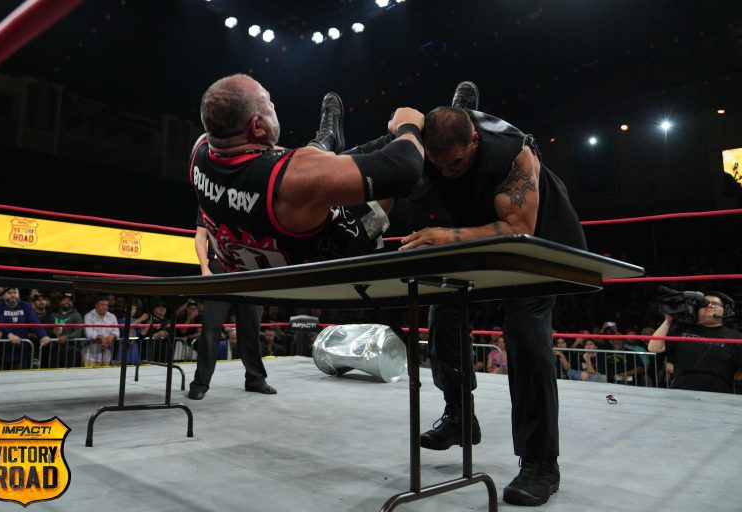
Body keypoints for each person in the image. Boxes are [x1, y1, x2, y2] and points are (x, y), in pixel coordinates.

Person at [398, 81, 587, 507]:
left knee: (526, 334)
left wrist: (445, 236)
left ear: (475, 139)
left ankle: (541, 463)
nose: (447, 172)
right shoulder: (424, 145)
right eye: (439, 165)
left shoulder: (514, 154)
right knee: (441, 316)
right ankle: (460, 416)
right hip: (476, 235)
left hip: (534, 241)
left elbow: (519, 227)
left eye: (456, 163)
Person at [188, 74, 425, 396]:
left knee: (309, 168)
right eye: (269, 103)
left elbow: (273, 160)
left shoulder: (200, 151)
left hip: (245, 268)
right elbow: (402, 169)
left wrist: (312, 158)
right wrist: (409, 125)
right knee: (385, 191)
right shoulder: (294, 178)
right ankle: (338, 143)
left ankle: (326, 141)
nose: (274, 106)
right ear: (257, 126)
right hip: (317, 265)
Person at [188, 215, 271, 399]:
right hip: (219, 267)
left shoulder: (252, 201)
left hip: (249, 268)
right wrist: (204, 268)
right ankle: (201, 382)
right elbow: (201, 235)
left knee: (251, 327)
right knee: (211, 327)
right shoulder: (209, 200)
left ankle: (255, 379)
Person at [648, 291, 742, 393]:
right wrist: (668, 320)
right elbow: (654, 348)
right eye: (704, 303)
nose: (709, 305)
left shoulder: (736, 337)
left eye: (715, 304)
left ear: (726, 311)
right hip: (681, 394)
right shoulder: (681, 330)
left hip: (719, 397)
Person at [0, 288, 49, 370]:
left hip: (21, 352)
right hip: (1, 352)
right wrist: (9, 335)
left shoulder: (25, 306)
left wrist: (43, 335)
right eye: (9, 293)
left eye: (15, 292)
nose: (13, 295)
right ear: (3, 295)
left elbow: (34, 321)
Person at [43, 292, 83, 368]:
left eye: (69, 301)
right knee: (53, 372)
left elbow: (78, 332)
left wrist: (66, 337)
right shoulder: (53, 315)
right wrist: (52, 332)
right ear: (60, 302)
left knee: (68, 373)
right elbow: (46, 331)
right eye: (65, 300)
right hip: (54, 349)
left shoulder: (76, 315)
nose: (67, 302)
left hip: (70, 350)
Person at [82, 295, 119, 367]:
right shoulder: (88, 316)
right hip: (90, 356)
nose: (105, 307)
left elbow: (117, 332)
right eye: (102, 305)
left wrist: (112, 336)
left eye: (106, 305)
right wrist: (102, 338)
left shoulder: (112, 317)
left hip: (106, 356)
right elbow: (89, 333)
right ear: (96, 305)